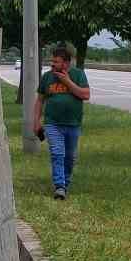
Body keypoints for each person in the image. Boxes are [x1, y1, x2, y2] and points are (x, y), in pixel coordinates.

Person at [30, 44, 91, 200]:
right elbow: (39, 101)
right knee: (57, 153)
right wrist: (36, 121)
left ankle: (65, 182)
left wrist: (67, 81)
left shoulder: (78, 75)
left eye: (56, 62)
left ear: (66, 63)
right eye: (52, 61)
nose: (52, 64)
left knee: (69, 157)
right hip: (52, 123)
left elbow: (85, 95)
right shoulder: (47, 77)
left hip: (73, 124)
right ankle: (60, 186)